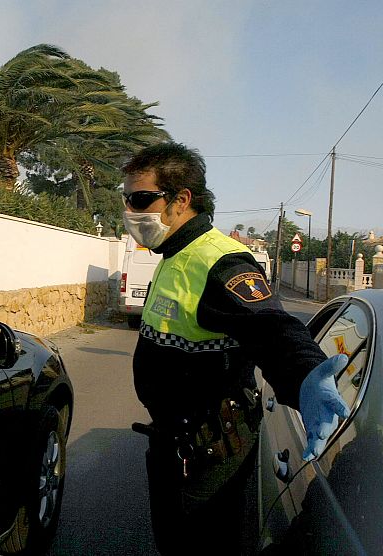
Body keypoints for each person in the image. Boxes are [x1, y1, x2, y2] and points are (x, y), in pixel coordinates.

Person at [122, 142, 348, 551]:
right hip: (174, 446)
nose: (131, 211)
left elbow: (272, 328)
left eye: (141, 199)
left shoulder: (220, 262)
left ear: (180, 200)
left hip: (210, 458)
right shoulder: (174, 254)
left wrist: (306, 376)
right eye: (127, 199)